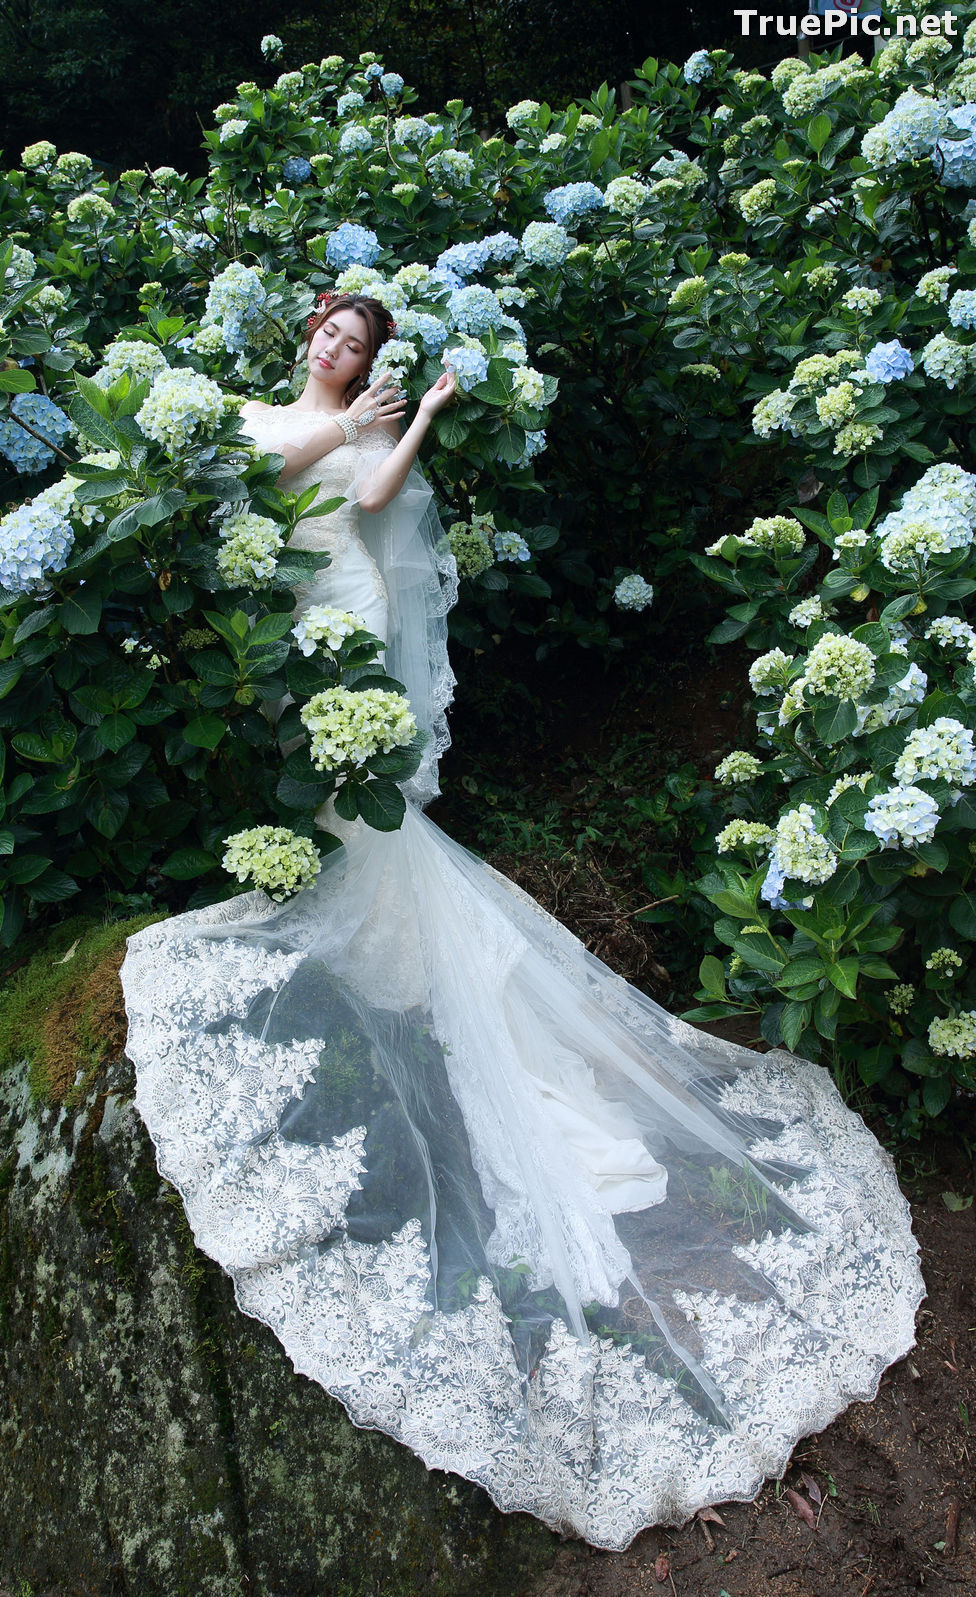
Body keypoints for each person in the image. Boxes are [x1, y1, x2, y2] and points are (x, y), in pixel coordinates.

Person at [120, 293, 924, 1551]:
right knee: (336, 814)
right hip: (269, 619)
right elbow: (256, 472)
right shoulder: (255, 414)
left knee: (361, 820)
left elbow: (373, 504)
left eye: (362, 347)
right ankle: (381, 948)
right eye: (334, 334)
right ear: (307, 338)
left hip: (345, 604)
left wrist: (425, 414)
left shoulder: (367, 416)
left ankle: (387, 961)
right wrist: (340, 434)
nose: (343, 352)